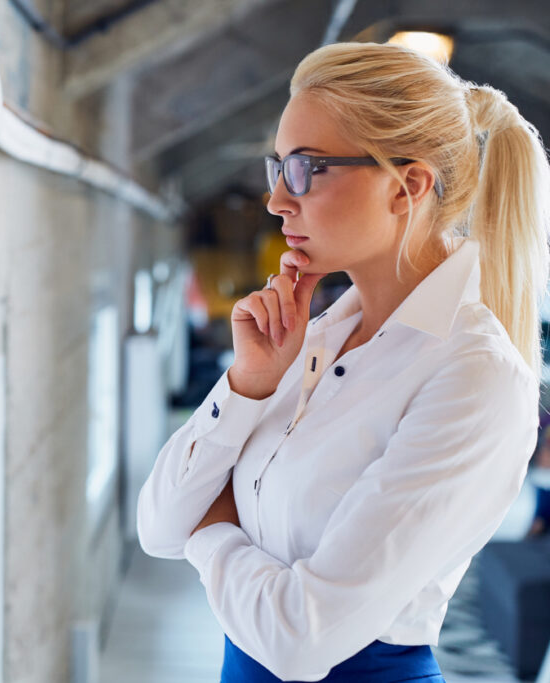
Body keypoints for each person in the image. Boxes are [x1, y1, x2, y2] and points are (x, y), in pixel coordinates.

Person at [136, 41, 550, 683]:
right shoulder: (313, 334)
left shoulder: (476, 378)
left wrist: (214, 528)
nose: (276, 200)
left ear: (406, 186)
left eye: (307, 169)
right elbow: (159, 525)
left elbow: (301, 639)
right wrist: (247, 385)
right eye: (277, 167)